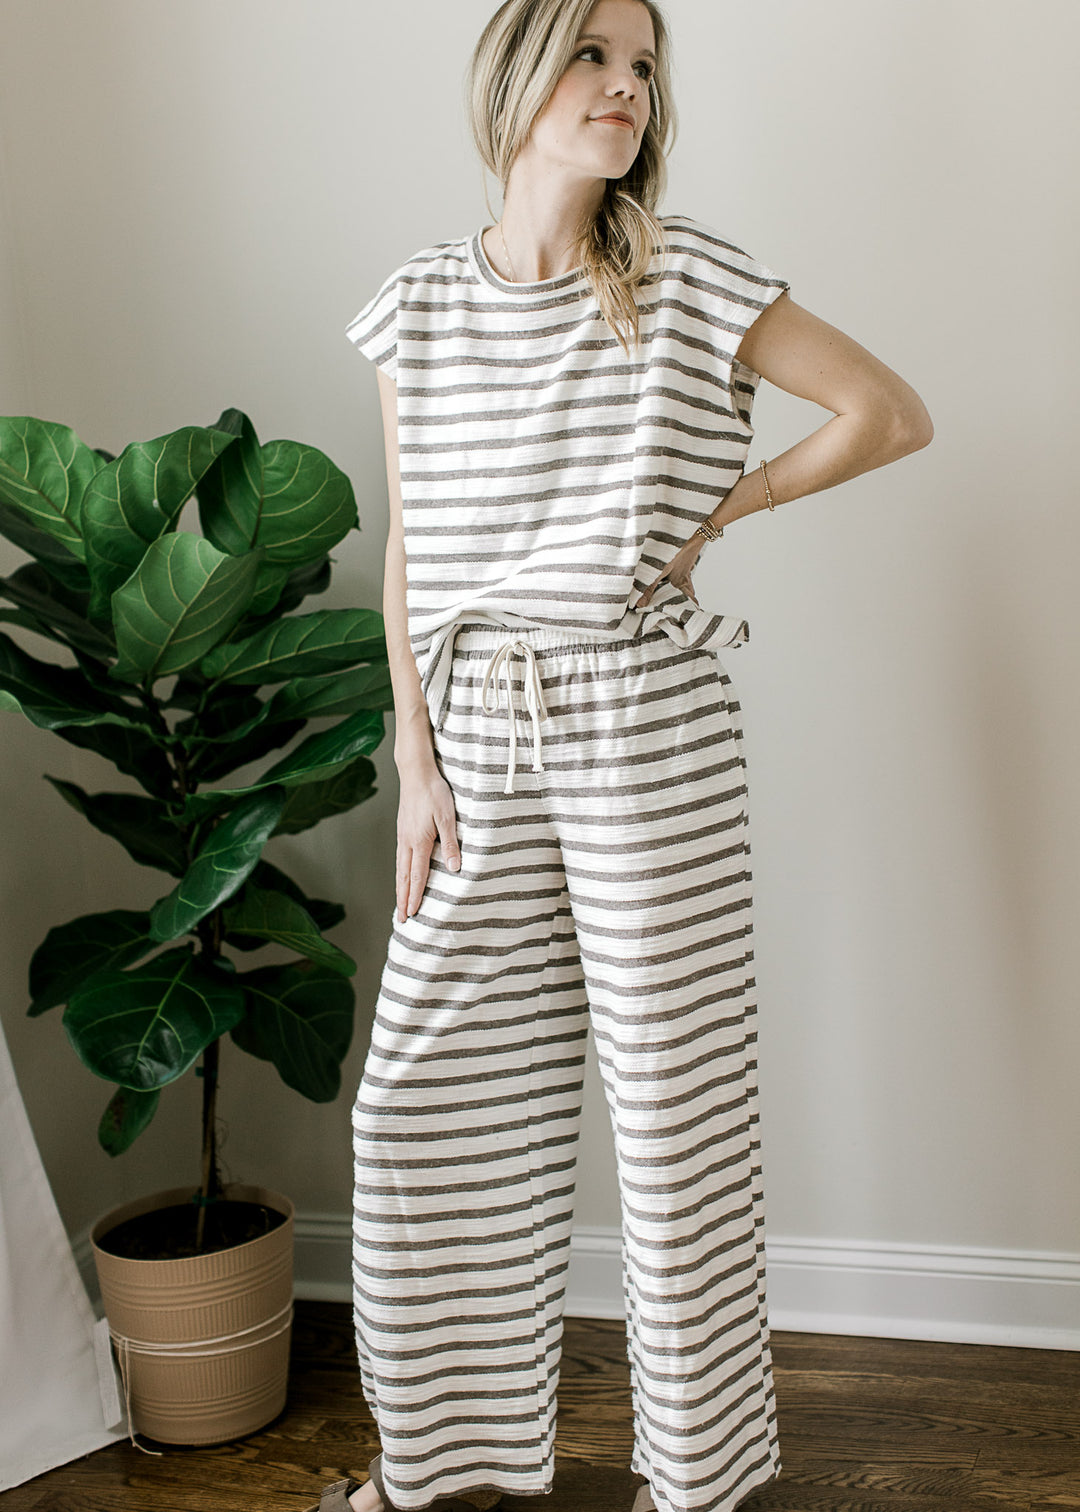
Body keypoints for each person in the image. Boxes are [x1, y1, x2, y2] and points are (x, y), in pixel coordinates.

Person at [310, 2, 933, 1511]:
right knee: (422, 1100)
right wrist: (419, 759)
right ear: (517, 73)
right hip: (474, 722)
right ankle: (432, 1467)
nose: (626, 87)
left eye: (645, 66)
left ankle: (695, 1484)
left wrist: (730, 507)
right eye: (595, 54)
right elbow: (413, 548)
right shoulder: (414, 308)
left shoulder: (685, 274)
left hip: (644, 719)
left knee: (672, 1104)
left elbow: (887, 411)